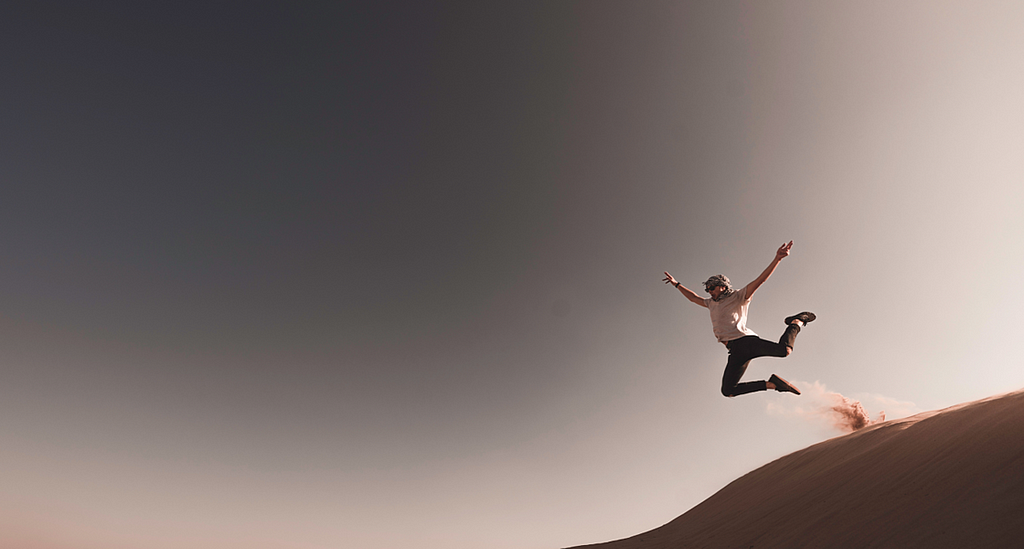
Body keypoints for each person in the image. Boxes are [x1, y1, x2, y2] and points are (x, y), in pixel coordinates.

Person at [662, 241, 815, 397]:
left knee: (784, 351)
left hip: (746, 342)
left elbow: (760, 280)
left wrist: (777, 259)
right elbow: (693, 298)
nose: (709, 291)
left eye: (712, 288)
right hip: (735, 351)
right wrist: (676, 284)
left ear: (722, 286)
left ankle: (797, 321)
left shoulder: (739, 296)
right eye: (707, 289)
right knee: (728, 391)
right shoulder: (710, 303)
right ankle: (773, 384)